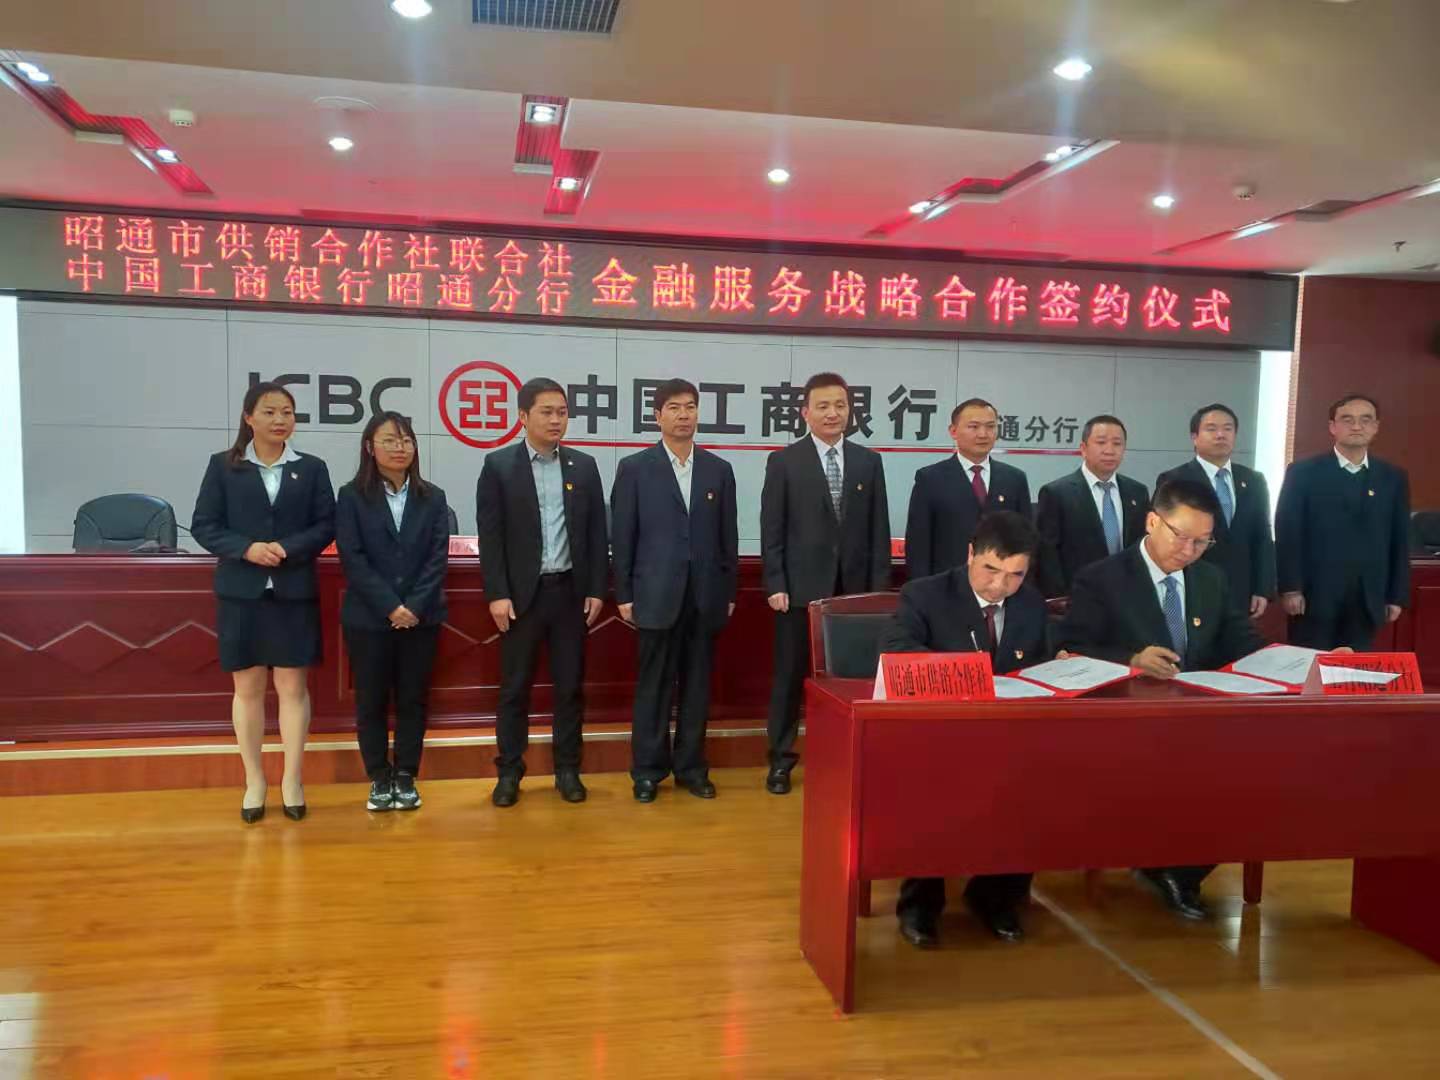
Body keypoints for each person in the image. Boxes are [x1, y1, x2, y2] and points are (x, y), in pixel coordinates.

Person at [1055, 478, 1265, 920]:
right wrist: (1131, 659)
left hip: (1203, 720)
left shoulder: (1211, 578)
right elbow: (1072, 647)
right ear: (1153, 521)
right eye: (1181, 537)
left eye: (1202, 542)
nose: (1189, 551)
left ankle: (1178, 869)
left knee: (1257, 773)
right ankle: (1164, 865)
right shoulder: (1102, 578)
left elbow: (1243, 643)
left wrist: (1306, 660)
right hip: (1128, 723)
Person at [879, 511, 1051, 946]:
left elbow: (1042, 663)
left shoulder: (1031, 604)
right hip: (939, 736)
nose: (1000, 586)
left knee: (1039, 782)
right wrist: (966, 676)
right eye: (991, 570)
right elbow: (898, 651)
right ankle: (920, 905)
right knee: (932, 787)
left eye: (1015, 575)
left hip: (1010, 736)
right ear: (971, 554)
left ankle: (995, 897)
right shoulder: (925, 595)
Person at [191, 381, 335, 823]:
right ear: (248, 418)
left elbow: (326, 525)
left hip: (293, 591)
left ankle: (292, 779)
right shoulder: (224, 466)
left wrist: (288, 548)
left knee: (293, 689)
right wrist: (247, 549)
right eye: (270, 412)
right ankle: (254, 781)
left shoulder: (311, 468)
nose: (280, 420)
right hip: (242, 591)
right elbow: (204, 525)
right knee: (248, 689)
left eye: (287, 412)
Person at [476, 377, 608, 807]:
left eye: (562, 412)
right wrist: (497, 593)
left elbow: (596, 532)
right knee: (515, 688)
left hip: (570, 593)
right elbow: (491, 537)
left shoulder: (583, 467)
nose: (556, 420)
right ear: (523, 416)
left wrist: (596, 588)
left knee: (570, 687)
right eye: (547, 412)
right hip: (521, 597)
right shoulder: (499, 466)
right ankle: (509, 771)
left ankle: (567, 769)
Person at [760, 372, 891, 794]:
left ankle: (846, 757)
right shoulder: (784, 461)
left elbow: (878, 530)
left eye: (840, 405)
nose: (832, 413)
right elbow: (772, 528)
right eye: (823, 406)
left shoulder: (869, 462)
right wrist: (775, 582)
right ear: (805, 412)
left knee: (853, 681)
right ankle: (780, 761)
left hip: (854, 596)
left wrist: (878, 593)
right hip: (798, 593)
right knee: (788, 679)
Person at [611, 379, 738, 802]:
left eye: (690, 407)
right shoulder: (635, 468)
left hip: (705, 596)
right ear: (657, 415)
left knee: (697, 688)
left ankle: (691, 768)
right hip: (654, 595)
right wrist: (623, 593)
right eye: (674, 407)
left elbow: (727, 538)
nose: (684, 415)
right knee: (654, 688)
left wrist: (729, 591)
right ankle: (647, 772)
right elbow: (622, 536)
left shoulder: (718, 469)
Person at [335, 411, 450, 813]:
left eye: (406, 441)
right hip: (369, 618)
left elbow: (437, 557)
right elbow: (352, 557)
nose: (399, 448)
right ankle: (379, 777)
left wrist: (413, 606)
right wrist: (390, 606)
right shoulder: (351, 496)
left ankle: (406, 775)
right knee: (371, 701)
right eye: (389, 440)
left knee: (413, 700)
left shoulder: (432, 497)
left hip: (422, 617)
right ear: (370, 447)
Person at [1275, 393, 1410, 649]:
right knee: (1309, 665)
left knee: (1355, 668)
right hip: (1314, 596)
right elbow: (1288, 533)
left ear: (1376, 427)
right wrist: (1291, 587)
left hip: (1368, 596)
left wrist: (1396, 595)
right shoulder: (1303, 473)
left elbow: (1399, 539)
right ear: (1332, 427)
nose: (1357, 426)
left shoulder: (1392, 477)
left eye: (1365, 420)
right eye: (1347, 419)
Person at [1156, 404, 1276, 617]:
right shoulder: (1175, 479)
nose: (1221, 435)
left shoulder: (1253, 480)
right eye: (1211, 429)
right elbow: (1163, 539)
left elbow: (1262, 536)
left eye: (1228, 428)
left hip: (1241, 590)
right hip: (1191, 585)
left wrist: (1262, 588)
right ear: (1194, 437)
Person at [904, 398, 1032, 579]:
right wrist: (923, 589)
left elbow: (1026, 541)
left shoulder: (1014, 479)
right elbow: (919, 545)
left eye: (990, 426)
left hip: (1002, 583)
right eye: (974, 427)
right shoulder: (930, 479)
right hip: (947, 583)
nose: (983, 434)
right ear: (953, 431)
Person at [1035, 414, 1148, 598]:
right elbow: (1047, 556)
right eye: (1101, 442)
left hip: (1128, 595)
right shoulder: (1057, 493)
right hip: (1078, 596)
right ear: (1083, 448)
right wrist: (1060, 598)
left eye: (1117, 444)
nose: (1109, 450)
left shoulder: (1137, 492)